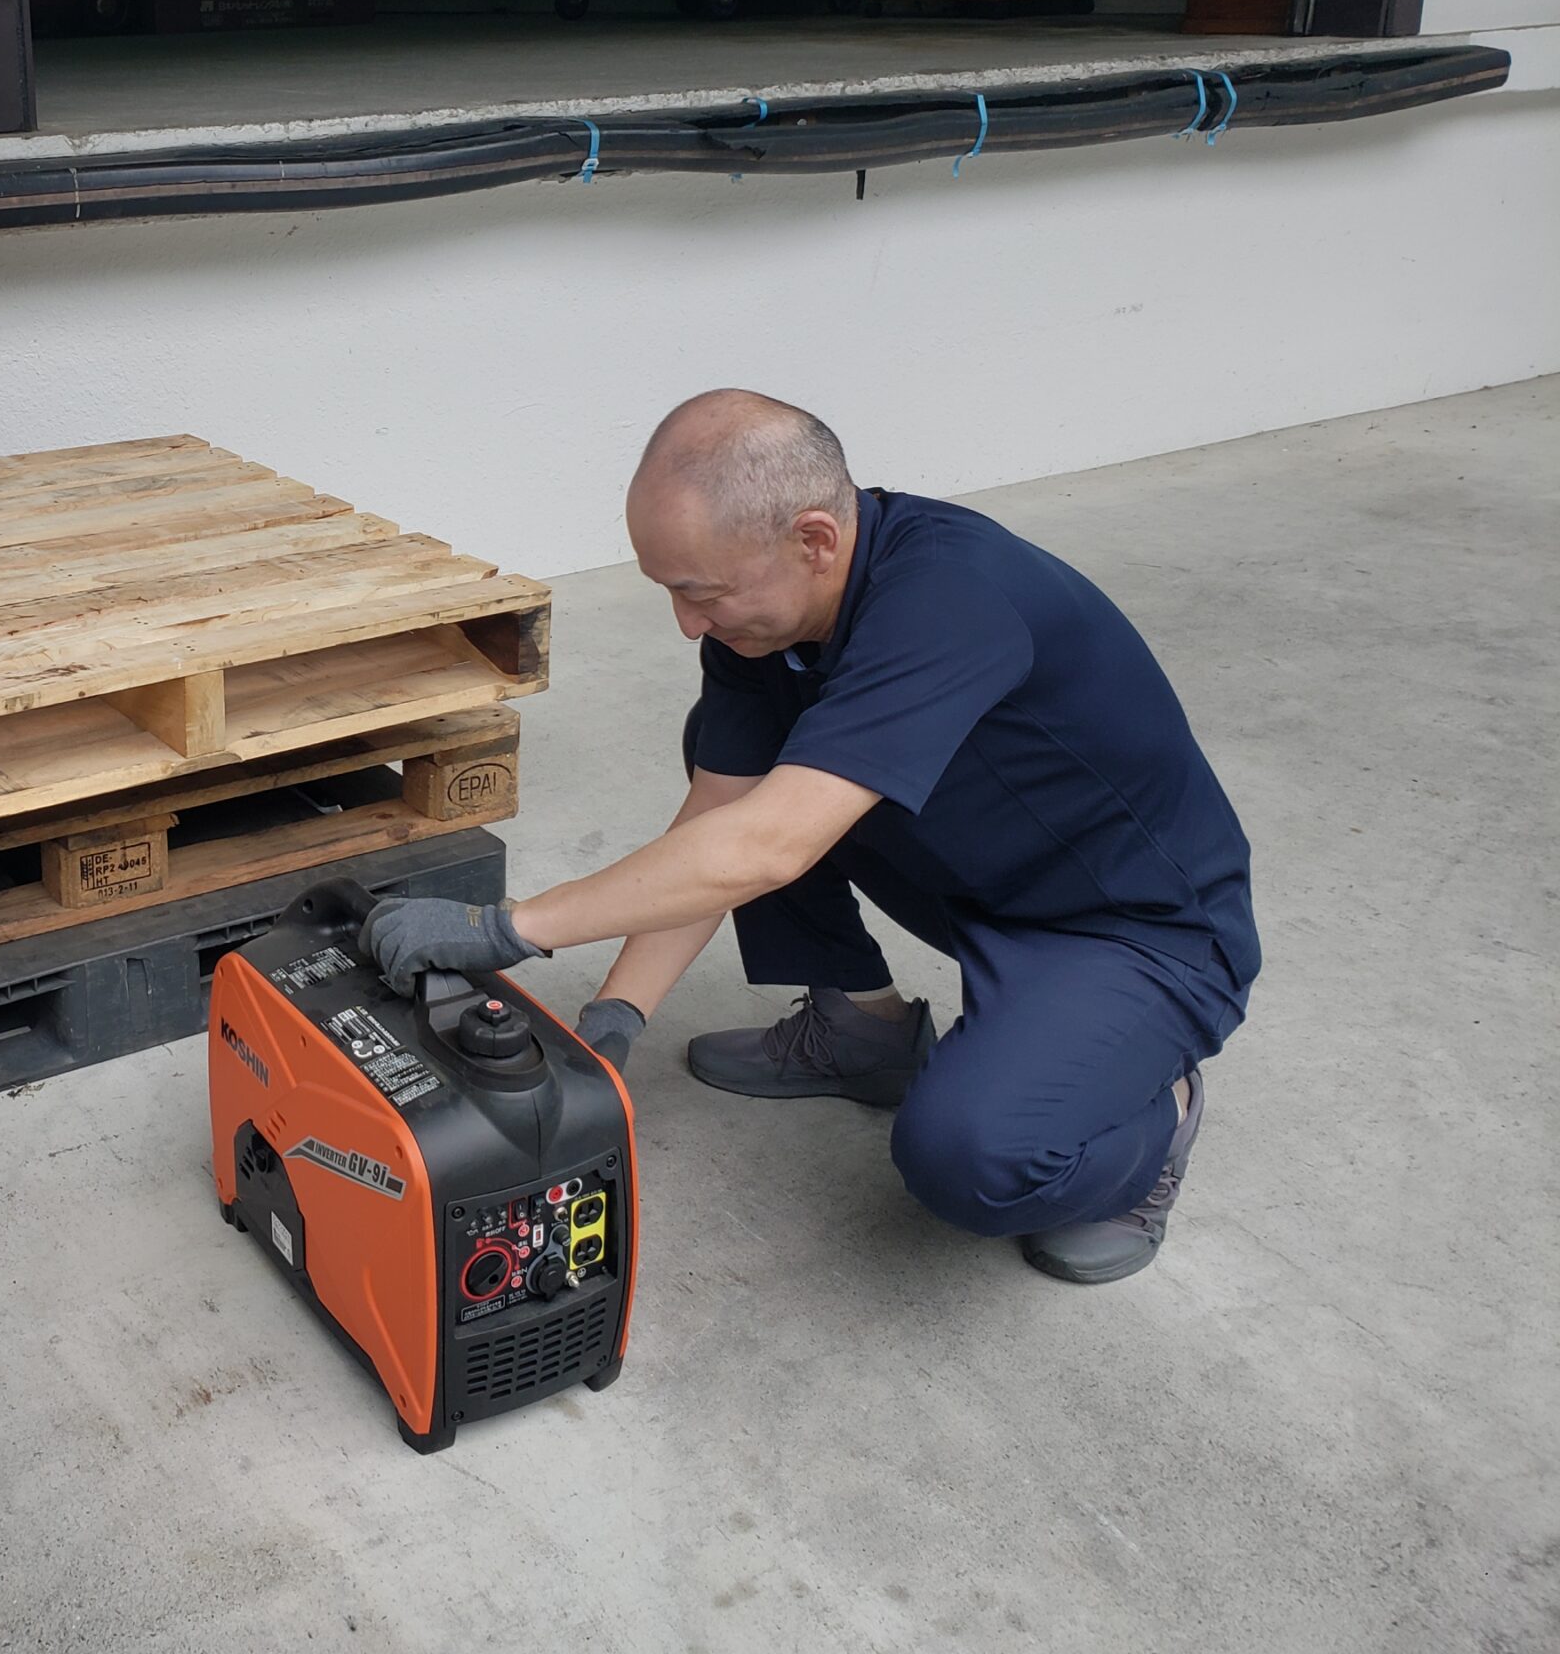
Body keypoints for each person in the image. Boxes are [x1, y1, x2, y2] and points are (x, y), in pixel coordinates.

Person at [362, 390, 1258, 1284]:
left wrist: (507, 928)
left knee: (970, 1158)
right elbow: (718, 824)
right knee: (741, 767)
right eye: (670, 590)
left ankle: (1159, 1122)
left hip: (1133, 929)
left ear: (816, 540)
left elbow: (765, 849)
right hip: (989, 871)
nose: (687, 624)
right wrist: (612, 1023)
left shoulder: (951, 600)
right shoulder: (763, 627)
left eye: (700, 593)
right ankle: (864, 1031)